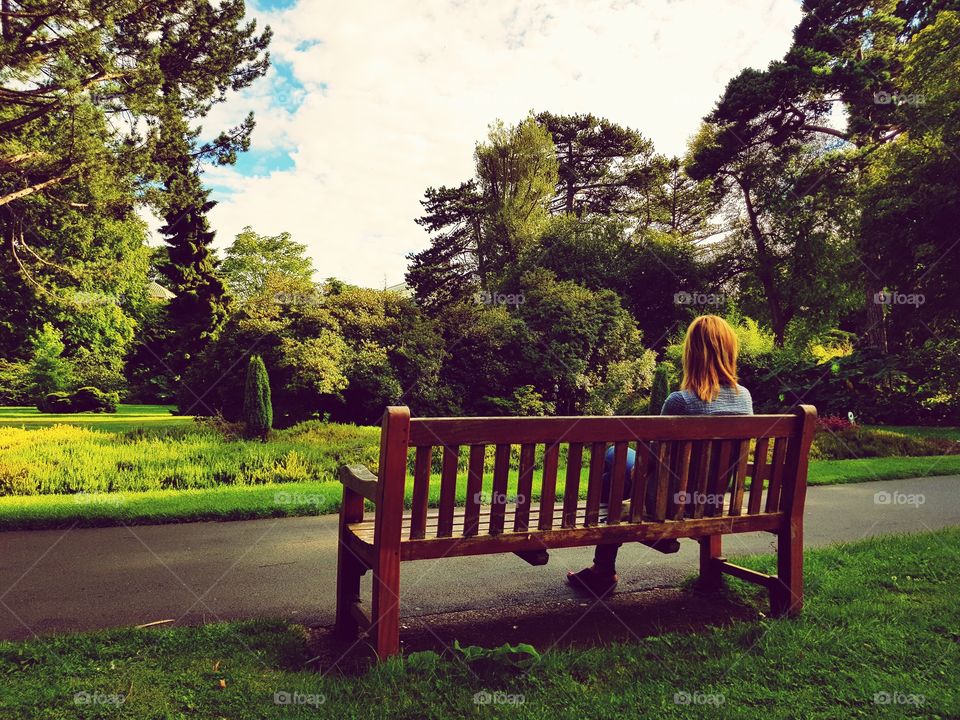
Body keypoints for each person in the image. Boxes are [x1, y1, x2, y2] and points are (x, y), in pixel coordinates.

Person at [566, 314, 754, 597]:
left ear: (692, 354)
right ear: (729, 351)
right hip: (711, 501)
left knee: (615, 456)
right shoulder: (745, 398)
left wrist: (636, 474)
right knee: (614, 472)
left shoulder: (681, 401)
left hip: (671, 503)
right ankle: (602, 563)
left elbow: (649, 461)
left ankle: (603, 568)